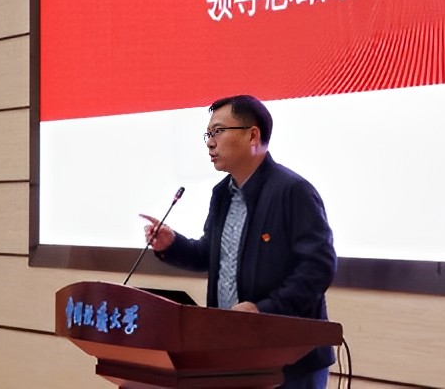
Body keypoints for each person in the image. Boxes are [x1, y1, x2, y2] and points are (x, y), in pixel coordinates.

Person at [140, 95, 337, 389]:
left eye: (218, 131)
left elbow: (318, 268)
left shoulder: (292, 190)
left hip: (291, 360)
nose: (209, 142)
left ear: (252, 135)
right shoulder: (222, 194)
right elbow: (212, 255)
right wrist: (172, 244)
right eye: (208, 134)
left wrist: (263, 311)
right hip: (234, 352)